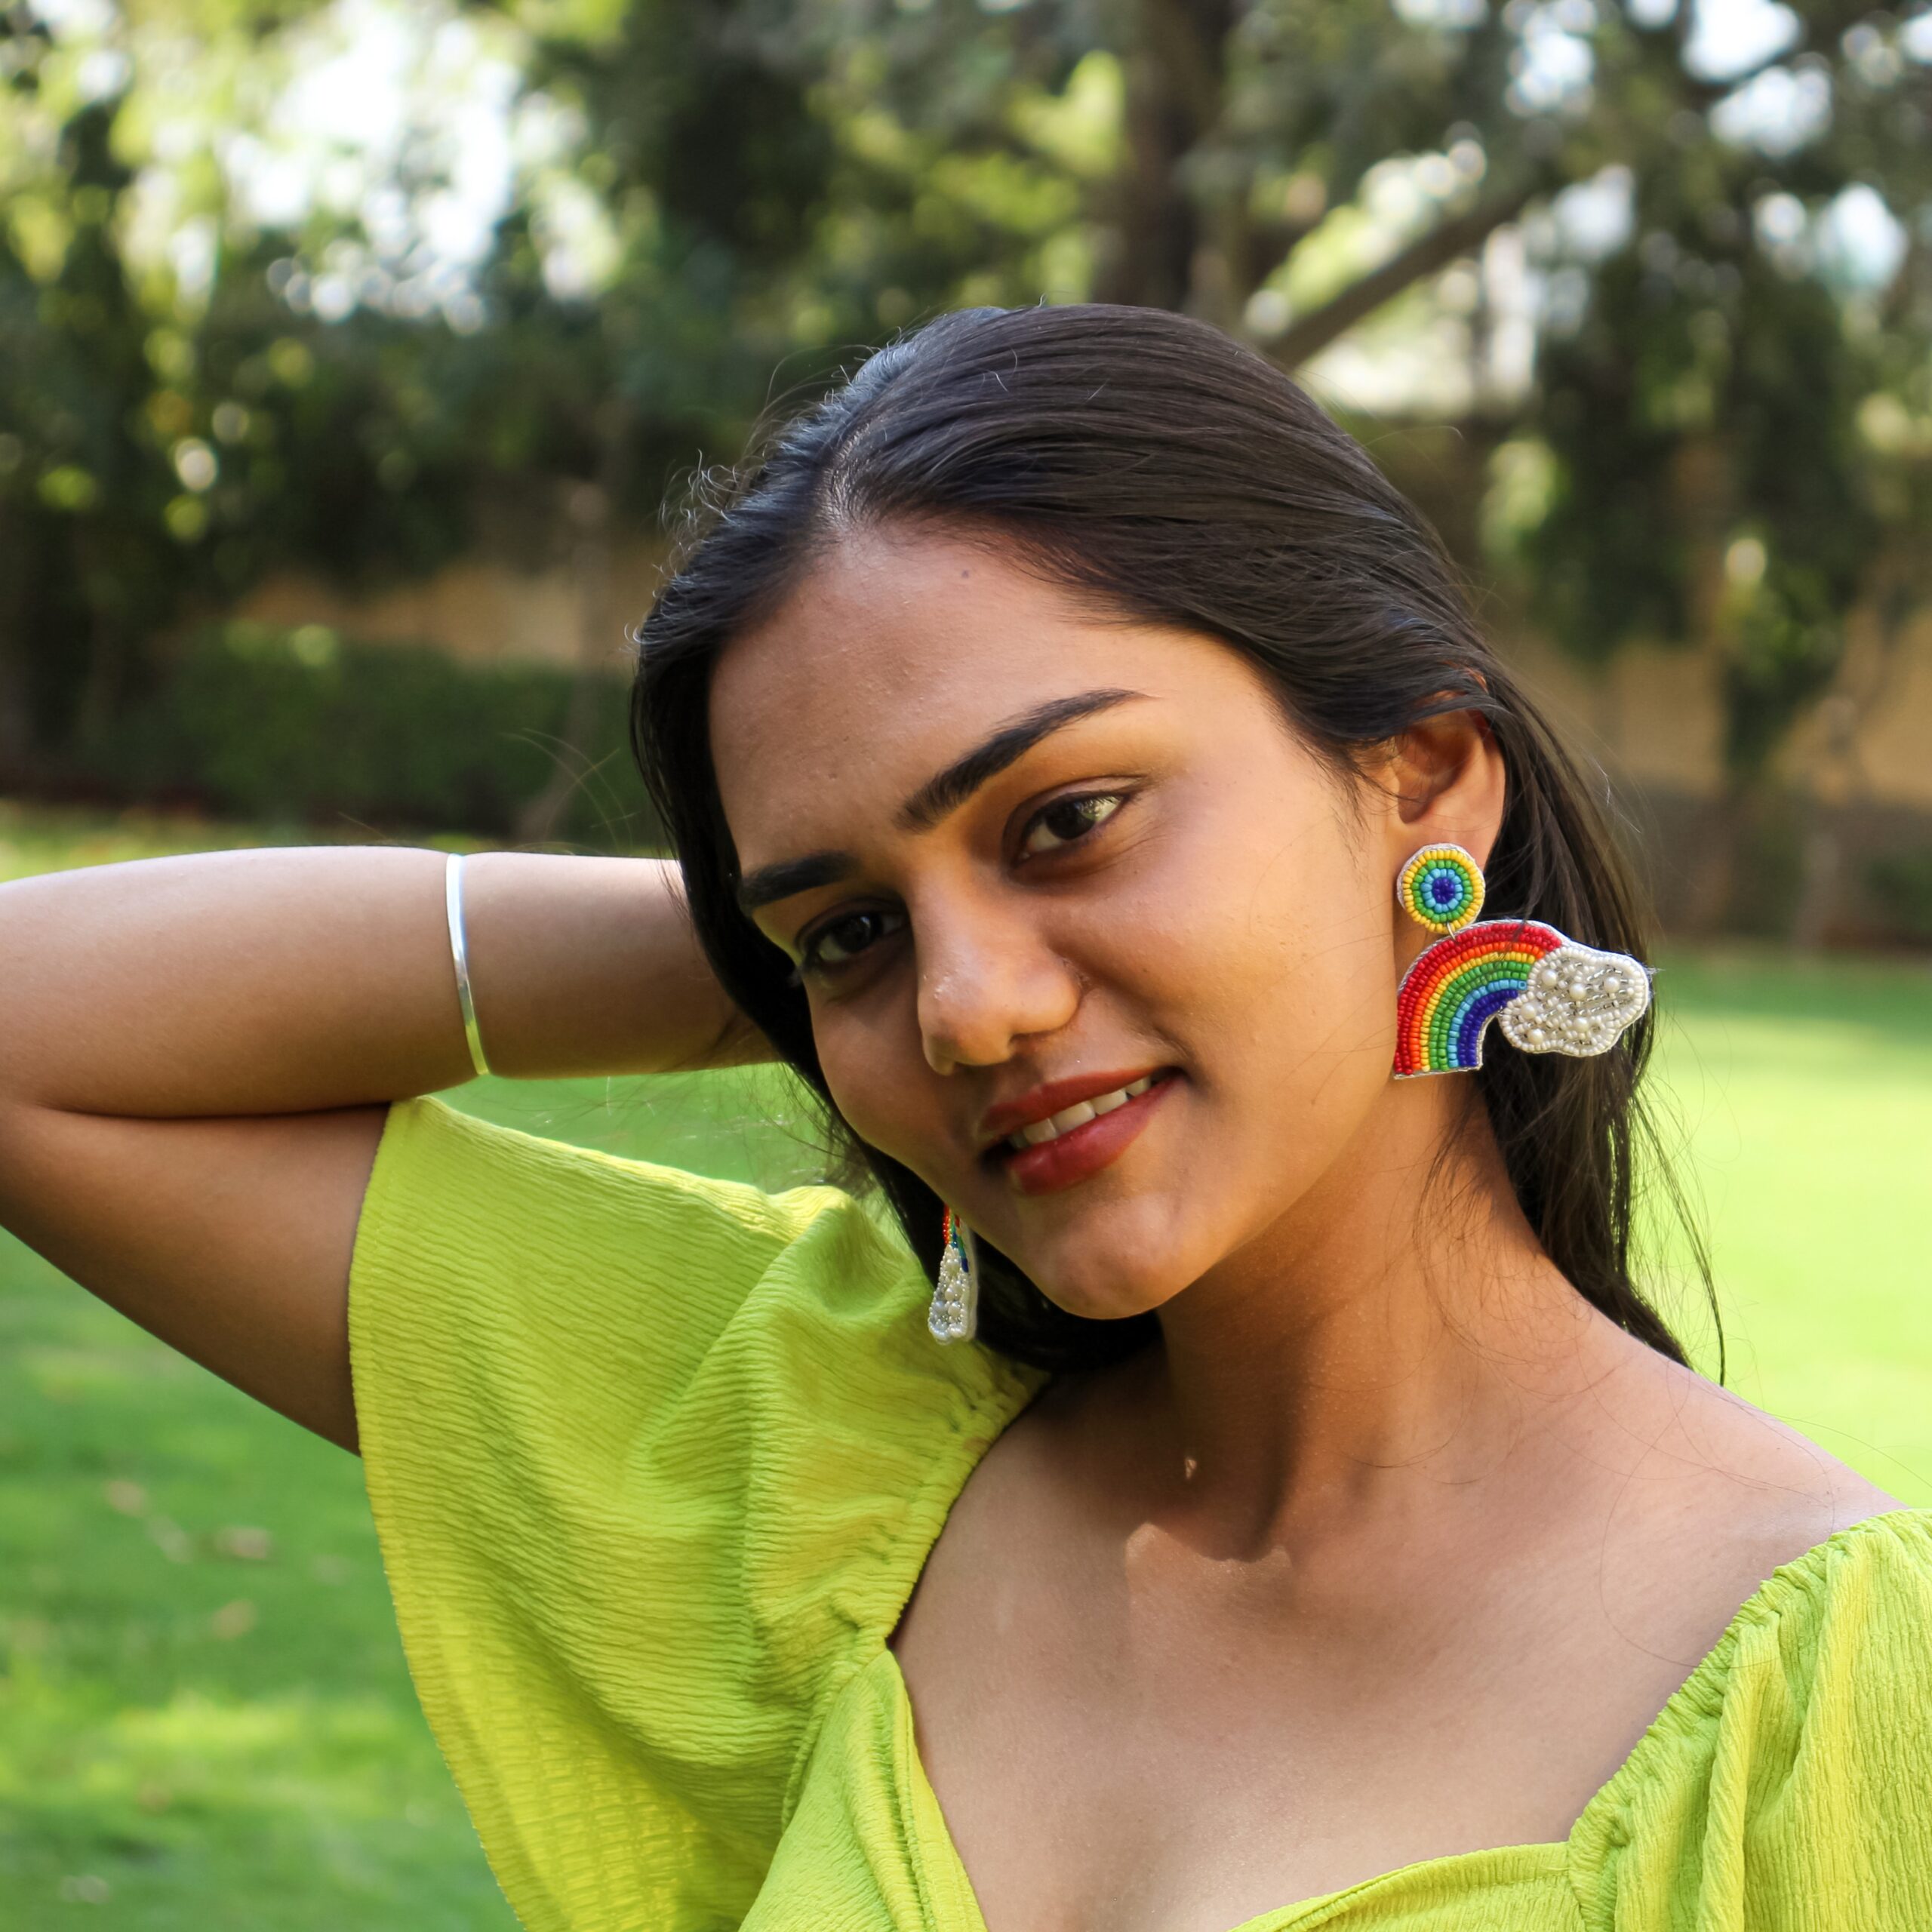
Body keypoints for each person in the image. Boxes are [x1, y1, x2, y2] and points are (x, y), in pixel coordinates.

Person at [2, 303, 1925, 1932]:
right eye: (853, 930)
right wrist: (780, 958)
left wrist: (891, 923)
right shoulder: (817, 1459)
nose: (966, 1008)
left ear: (1419, 778)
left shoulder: (1834, 1703)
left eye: (1068, 818)